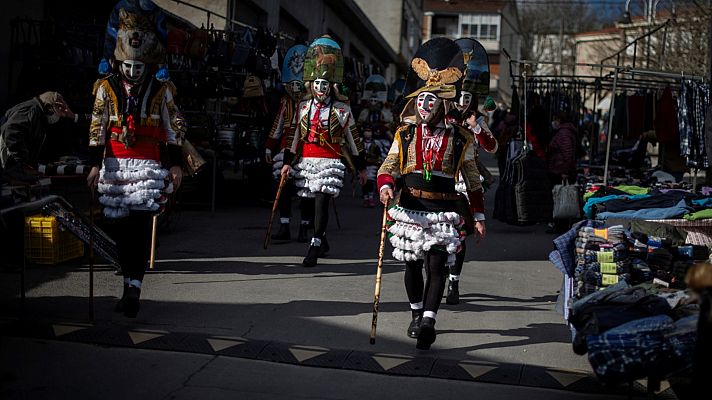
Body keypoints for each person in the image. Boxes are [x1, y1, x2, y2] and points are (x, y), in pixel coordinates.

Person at [378, 37, 483, 350]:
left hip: (442, 213)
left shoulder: (461, 138)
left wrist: (477, 215)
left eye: (431, 101)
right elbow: (389, 165)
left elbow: (473, 180)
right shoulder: (405, 133)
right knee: (412, 265)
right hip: (410, 208)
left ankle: (428, 321)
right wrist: (385, 184)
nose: (425, 106)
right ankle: (414, 313)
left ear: (443, 104)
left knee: (436, 266)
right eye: (421, 100)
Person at [86, 7, 184, 318]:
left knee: (140, 228)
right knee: (120, 228)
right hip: (115, 166)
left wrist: (176, 164)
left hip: (147, 166)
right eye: (128, 65)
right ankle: (128, 279)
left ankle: (134, 288)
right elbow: (96, 125)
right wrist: (93, 163)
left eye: (139, 65)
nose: (133, 71)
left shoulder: (162, 90)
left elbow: (174, 129)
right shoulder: (105, 88)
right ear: (117, 62)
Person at [281, 35, 367, 268]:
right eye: (317, 84)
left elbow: (354, 140)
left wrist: (361, 168)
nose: (321, 88)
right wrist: (288, 162)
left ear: (332, 86)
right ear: (311, 84)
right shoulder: (302, 107)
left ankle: (315, 245)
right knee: (308, 203)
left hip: (329, 160)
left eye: (325, 84)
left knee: (321, 200)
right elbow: (294, 136)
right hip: (308, 160)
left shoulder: (342, 109)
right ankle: (323, 239)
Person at [444, 37, 498, 305]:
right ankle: (441, 272)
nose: (463, 102)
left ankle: (454, 281)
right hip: (442, 178)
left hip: (467, 182)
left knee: (460, 234)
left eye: (467, 97)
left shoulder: (478, 120)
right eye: (459, 96)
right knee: (441, 232)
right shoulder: (442, 115)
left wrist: (476, 126)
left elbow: (492, 146)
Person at [265, 44, 314, 242]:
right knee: (283, 186)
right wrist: (269, 145)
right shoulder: (285, 102)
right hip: (285, 149)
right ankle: (284, 224)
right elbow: (277, 125)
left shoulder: (313, 103)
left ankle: (304, 226)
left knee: (306, 190)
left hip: (307, 151)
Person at [0, 92, 80, 182]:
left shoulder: (38, 115)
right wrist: (22, 163)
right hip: (9, 162)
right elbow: (11, 131)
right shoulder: (31, 110)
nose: (58, 117)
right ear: (49, 107)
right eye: (57, 111)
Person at [546, 111, 578, 234]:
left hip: (561, 170)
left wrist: (565, 171)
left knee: (561, 198)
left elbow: (567, 154)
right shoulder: (563, 132)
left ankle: (561, 225)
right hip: (559, 169)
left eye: (555, 119)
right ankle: (560, 224)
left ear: (559, 120)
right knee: (560, 197)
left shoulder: (564, 133)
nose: (553, 122)